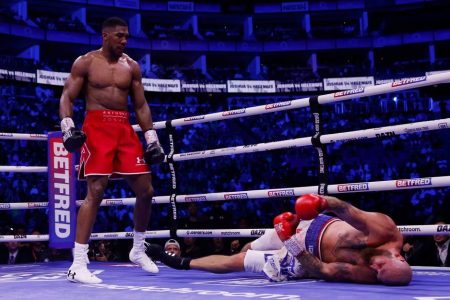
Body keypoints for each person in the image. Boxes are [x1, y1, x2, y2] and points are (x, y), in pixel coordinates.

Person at [59, 16, 165, 284]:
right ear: (105, 35)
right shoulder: (86, 62)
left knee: (146, 190)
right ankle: (78, 263)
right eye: (119, 35)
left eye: (127, 36)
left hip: (124, 128)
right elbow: (67, 96)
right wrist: (68, 127)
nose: (125, 40)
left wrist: (152, 139)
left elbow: (141, 106)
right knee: (95, 191)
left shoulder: (132, 66)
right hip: (96, 126)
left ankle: (138, 249)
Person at [147, 194, 412, 286]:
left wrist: (291, 242)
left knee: (239, 260)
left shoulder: (370, 274)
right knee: (250, 245)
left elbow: (321, 270)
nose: (373, 270)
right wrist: (321, 203)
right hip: (313, 222)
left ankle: (181, 262)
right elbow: (346, 209)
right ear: (398, 256)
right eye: (379, 267)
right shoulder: (385, 231)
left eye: (376, 275)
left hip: (301, 254)